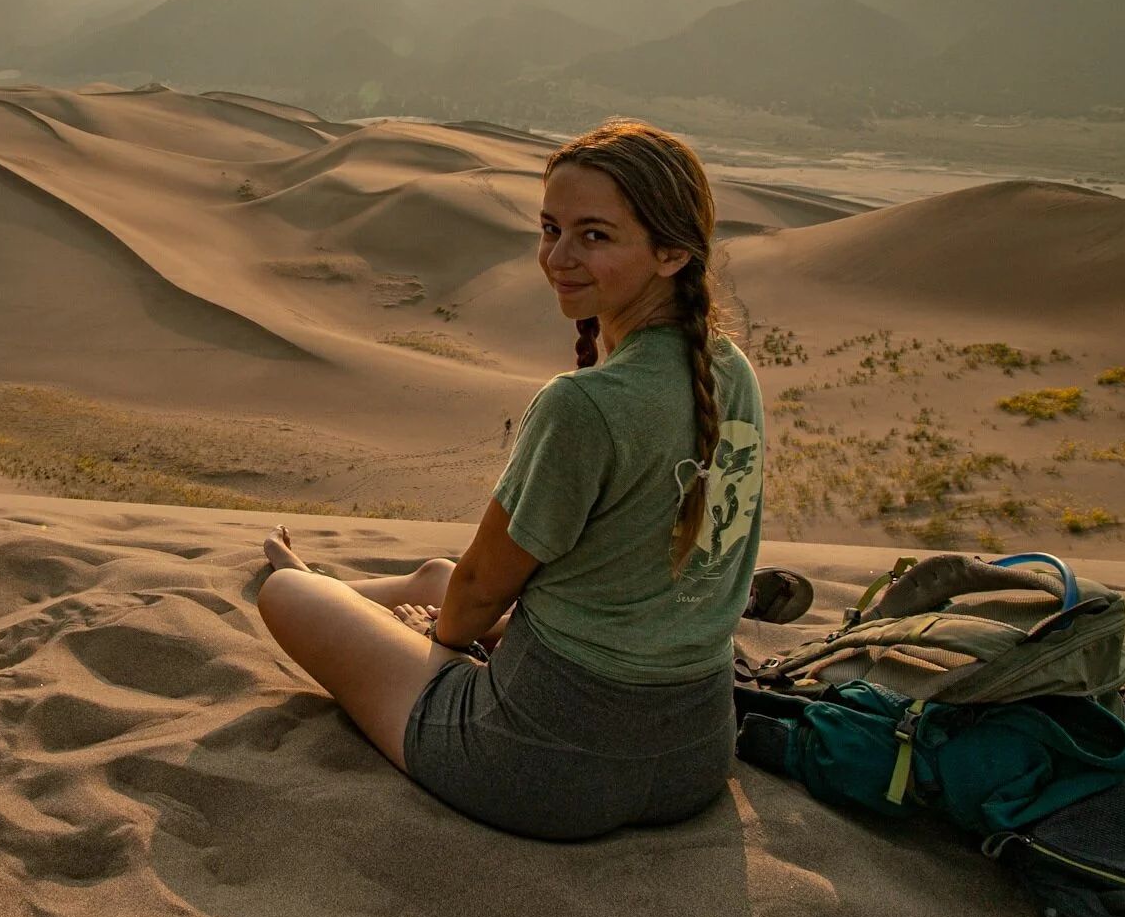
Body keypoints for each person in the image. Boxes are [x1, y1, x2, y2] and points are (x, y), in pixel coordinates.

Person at [256, 118, 766, 841]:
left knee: (285, 593)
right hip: (694, 757)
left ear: (671, 252)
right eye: (550, 228)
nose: (558, 256)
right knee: (437, 573)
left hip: (539, 766)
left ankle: (317, 587)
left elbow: (481, 592)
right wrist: (453, 618)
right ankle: (357, 600)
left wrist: (446, 636)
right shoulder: (731, 372)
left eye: (594, 235)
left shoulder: (584, 405)